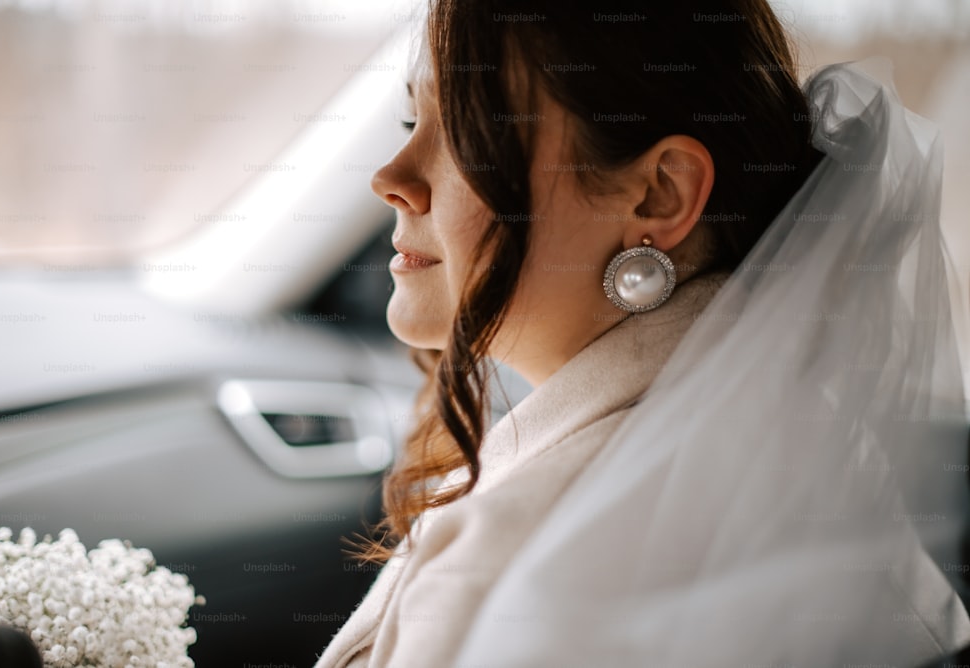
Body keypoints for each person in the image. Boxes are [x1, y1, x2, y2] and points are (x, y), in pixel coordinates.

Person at [316, 1, 970, 666]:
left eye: (460, 131)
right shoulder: (820, 452)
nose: (390, 178)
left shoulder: (506, 570)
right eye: (409, 120)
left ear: (661, 194)